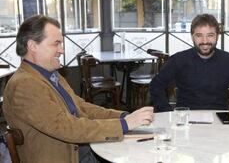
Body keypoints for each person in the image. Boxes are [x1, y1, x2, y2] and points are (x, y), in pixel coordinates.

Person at [2, 15, 154, 163]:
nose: (61, 50)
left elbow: (82, 108)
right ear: (32, 46)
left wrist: (124, 116)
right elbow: (66, 127)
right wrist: (125, 124)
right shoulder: (25, 84)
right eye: (56, 44)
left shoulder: (49, 75)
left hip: (83, 153)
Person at [149, 14, 229, 112]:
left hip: (219, 117)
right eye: (199, 35)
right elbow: (156, 85)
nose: (205, 41)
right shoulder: (178, 60)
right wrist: (166, 112)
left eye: (210, 35)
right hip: (186, 119)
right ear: (192, 37)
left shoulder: (228, 60)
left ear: (217, 36)